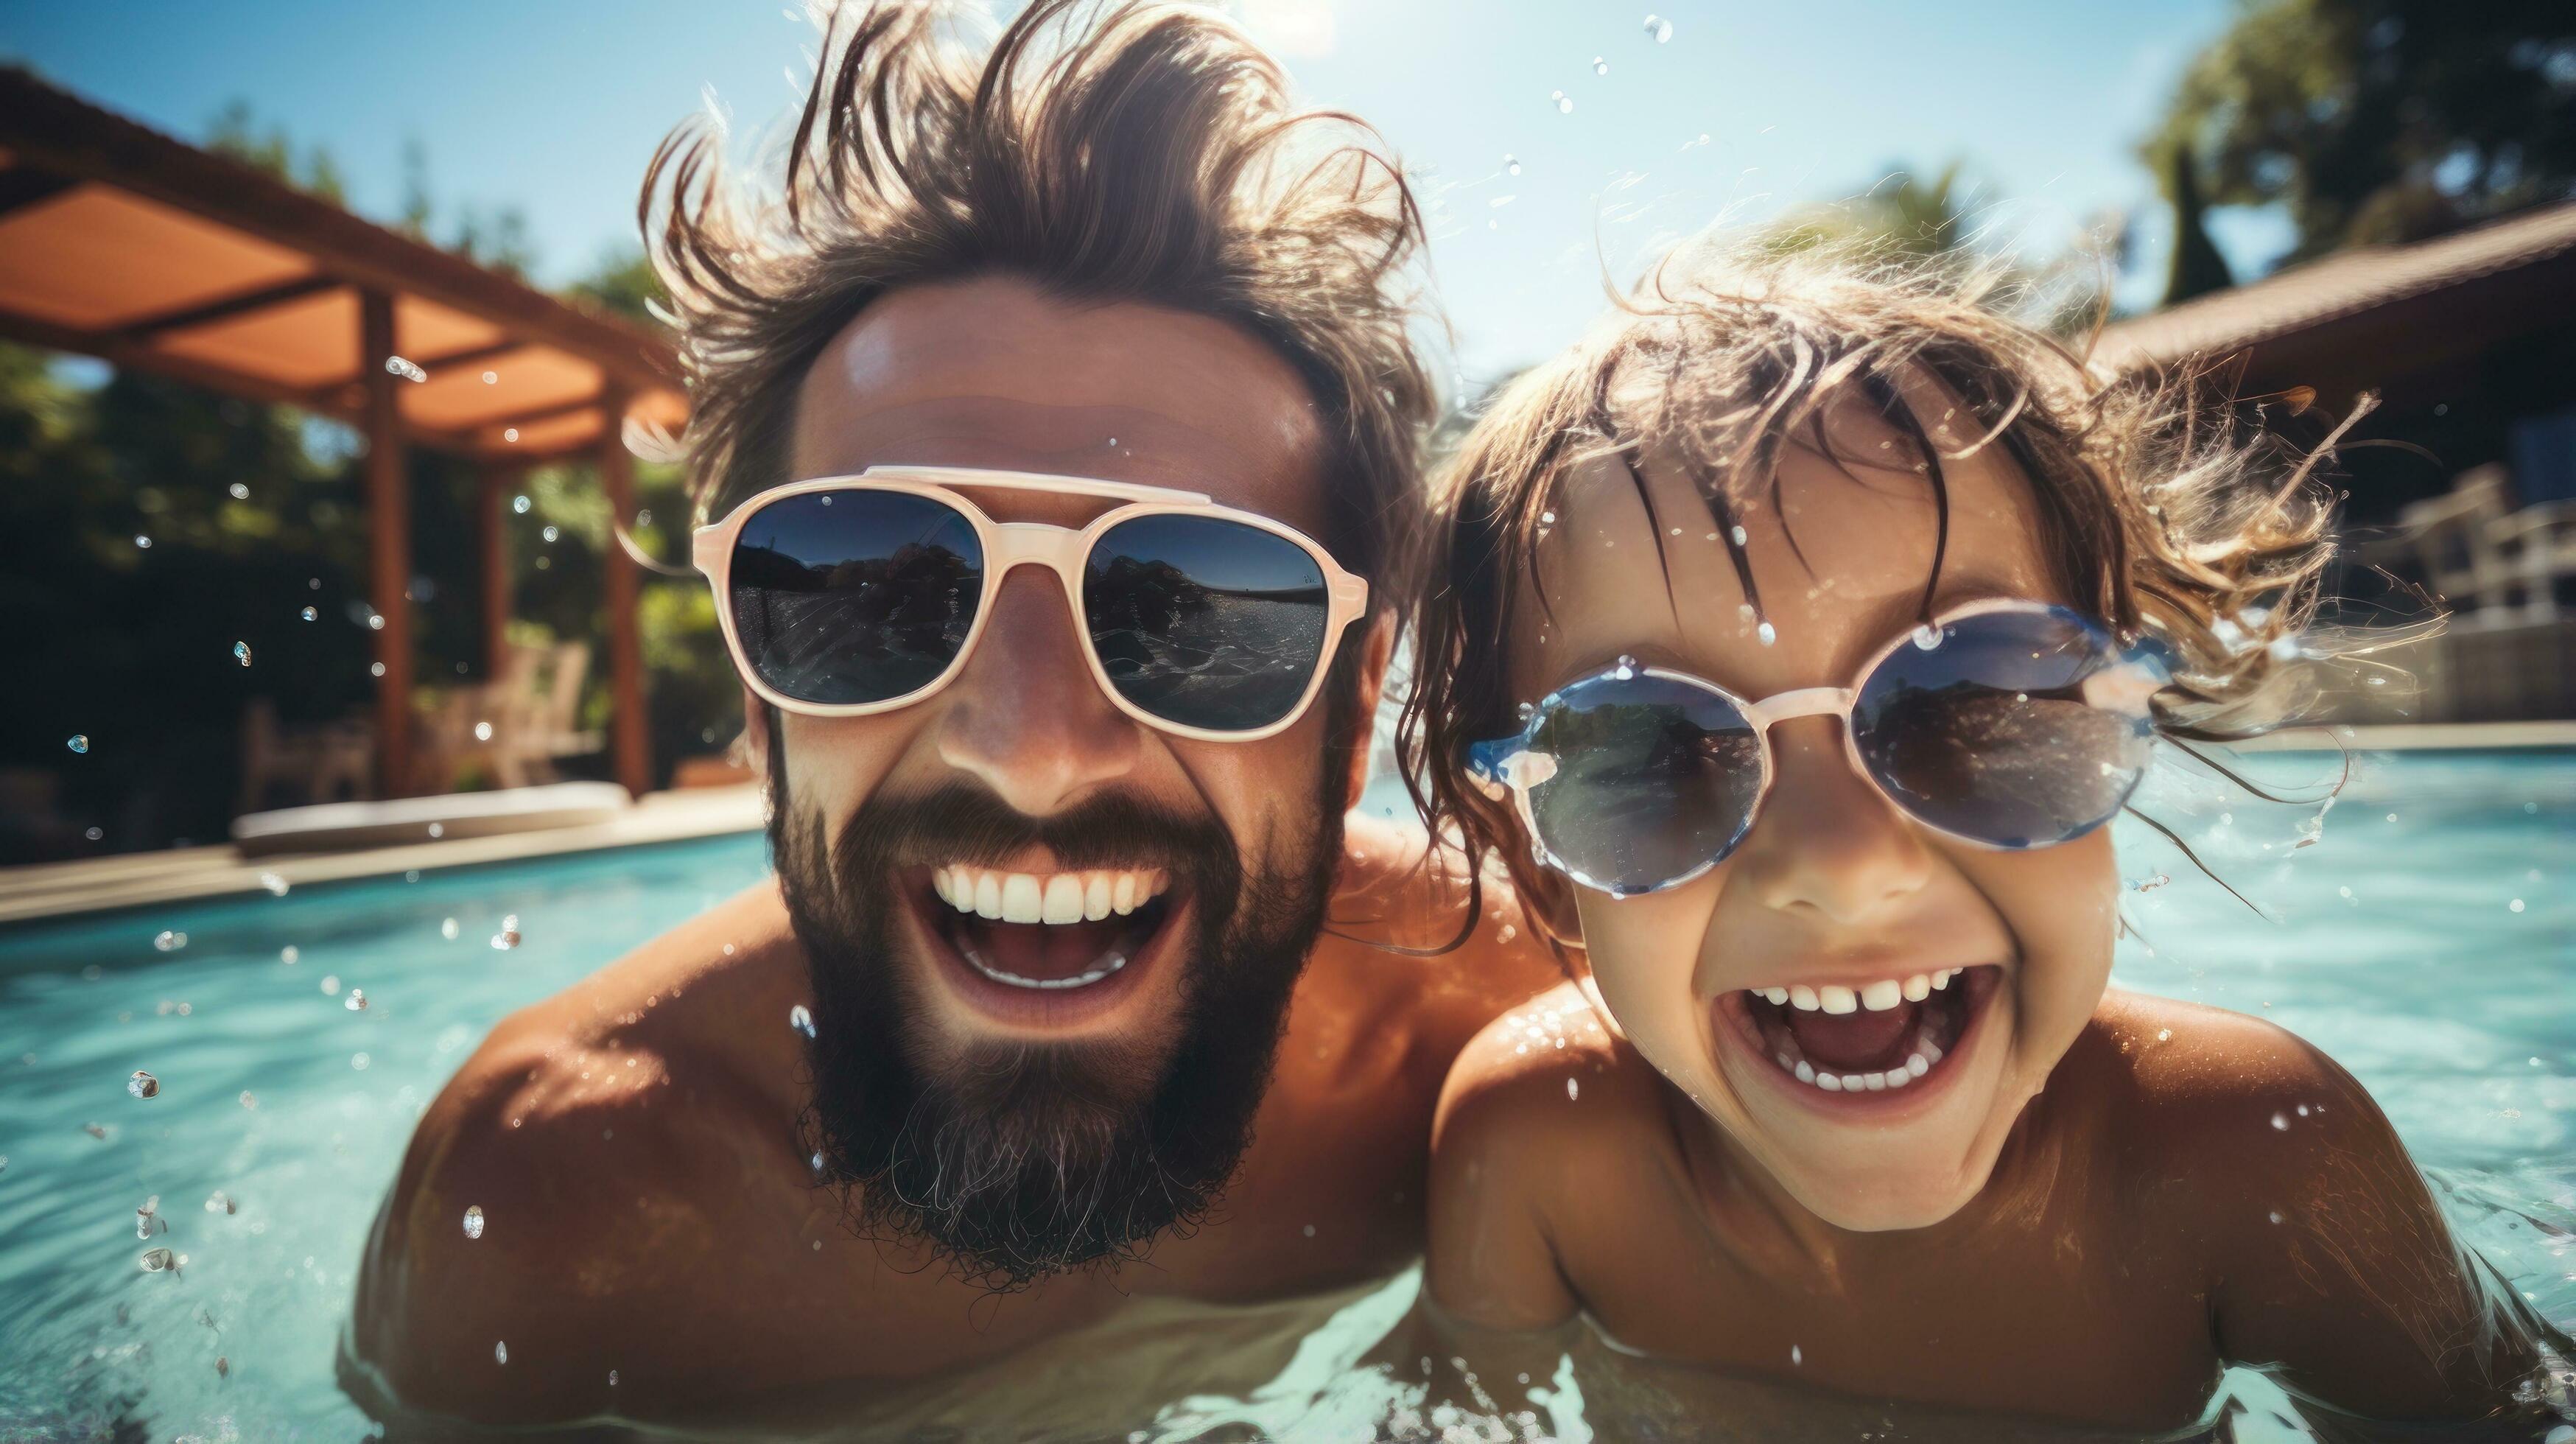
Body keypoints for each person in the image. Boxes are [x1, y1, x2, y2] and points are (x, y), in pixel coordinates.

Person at [345, 1, 1550, 1429]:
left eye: (1199, 604)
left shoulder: (1494, 1048)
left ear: (1353, 695)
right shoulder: (557, 1217)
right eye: (873, 583)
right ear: (757, 681)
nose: (1034, 748)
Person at [1394, 241, 2562, 1436]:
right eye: (1643, 752)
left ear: (2118, 714)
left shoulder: (2255, 1169)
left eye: (1970, 707)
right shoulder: (1539, 1152)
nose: (1844, 866)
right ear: (1535, 849)